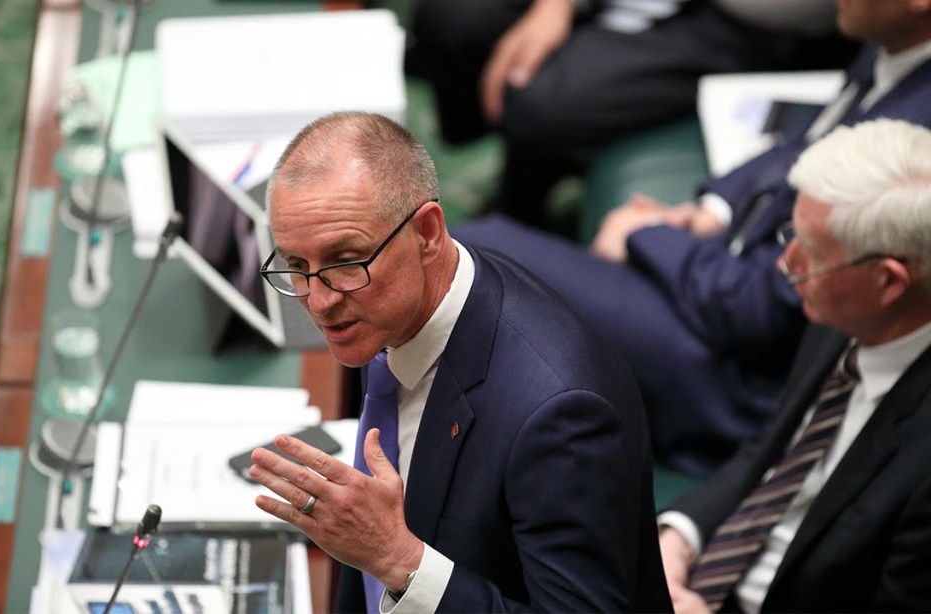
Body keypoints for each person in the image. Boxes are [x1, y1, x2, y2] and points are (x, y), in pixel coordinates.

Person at [452, 0, 931, 476]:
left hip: (739, 371)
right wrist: (711, 211)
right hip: (730, 273)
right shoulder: (894, 44)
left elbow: (767, 307)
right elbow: (804, 142)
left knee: (473, 255)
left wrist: (650, 236)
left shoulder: (916, 129)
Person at [245, 111, 671, 612]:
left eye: (344, 259)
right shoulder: (386, 305)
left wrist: (397, 558)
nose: (317, 301)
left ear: (427, 232)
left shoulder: (561, 415)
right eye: (296, 265)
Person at [657, 118, 931, 613]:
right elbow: (775, 448)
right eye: (792, 235)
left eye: (811, 253)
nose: (786, 264)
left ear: (889, 282)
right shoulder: (842, 306)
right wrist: (679, 536)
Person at [408, 0, 857, 227]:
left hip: (749, 18)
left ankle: (522, 213)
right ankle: (485, 142)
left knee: (540, 103)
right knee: (452, 17)